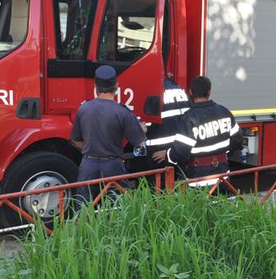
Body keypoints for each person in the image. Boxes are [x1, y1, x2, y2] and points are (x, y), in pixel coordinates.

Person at [71, 65, 146, 203]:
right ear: (116, 87)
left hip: (88, 165)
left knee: (84, 208)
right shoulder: (122, 112)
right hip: (113, 166)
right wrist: (142, 129)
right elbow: (139, 142)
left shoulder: (84, 109)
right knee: (116, 208)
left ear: (95, 87)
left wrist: (91, 148)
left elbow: (76, 140)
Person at [152, 75, 242, 186]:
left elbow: (182, 151)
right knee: (222, 202)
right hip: (223, 175)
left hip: (199, 177)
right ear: (209, 93)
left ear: (190, 92)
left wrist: (168, 154)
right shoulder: (224, 112)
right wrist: (220, 151)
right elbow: (237, 140)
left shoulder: (189, 118)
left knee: (200, 203)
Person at [138, 76, 192, 182]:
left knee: (157, 190)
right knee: (178, 186)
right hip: (177, 150)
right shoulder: (180, 90)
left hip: (157, 155)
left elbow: (145, 124)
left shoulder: (152, 90)